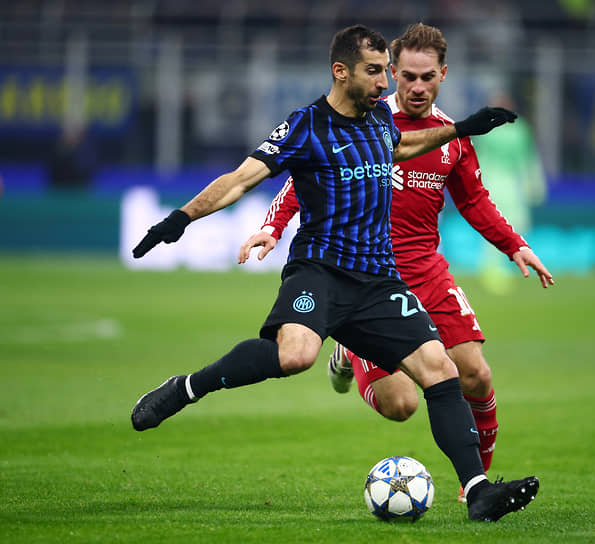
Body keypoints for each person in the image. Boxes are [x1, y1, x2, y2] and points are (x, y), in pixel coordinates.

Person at [130, 24, 539, 522]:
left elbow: (402, 148)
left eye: (386, 72)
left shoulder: (379, 120)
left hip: (378, 280)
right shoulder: (306, 126)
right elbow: (240, 180)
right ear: (341, 72)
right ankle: (186, 387)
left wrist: (461, 128)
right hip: (320, 271)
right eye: (375, 72)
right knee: (296, 355)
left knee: (442, 370)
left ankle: (477, 492)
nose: (386, 84)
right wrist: (180, 219)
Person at [239, 23, 554, 504]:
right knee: (401, 405)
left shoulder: (451, 138)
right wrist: (272, 227)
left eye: (427, 77)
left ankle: (476, 486)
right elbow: (298, 185)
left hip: (425, 271)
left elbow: (474, 201)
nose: (416, 87)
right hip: (367, 279)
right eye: (406, 76)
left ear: (443, 75)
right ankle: (349, 350)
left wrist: (514, 245)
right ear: (392, 72)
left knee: (475, 373)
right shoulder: (362, 122)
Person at [471, 91, 547, 295]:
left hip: (493, 183)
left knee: (498, 225)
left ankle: (496, 267)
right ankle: (494, 268)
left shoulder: (488, 128)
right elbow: (528, 160)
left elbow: (478, 156)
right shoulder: (519, 130)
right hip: (508, 185)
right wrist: (535, 185)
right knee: (509, 224)